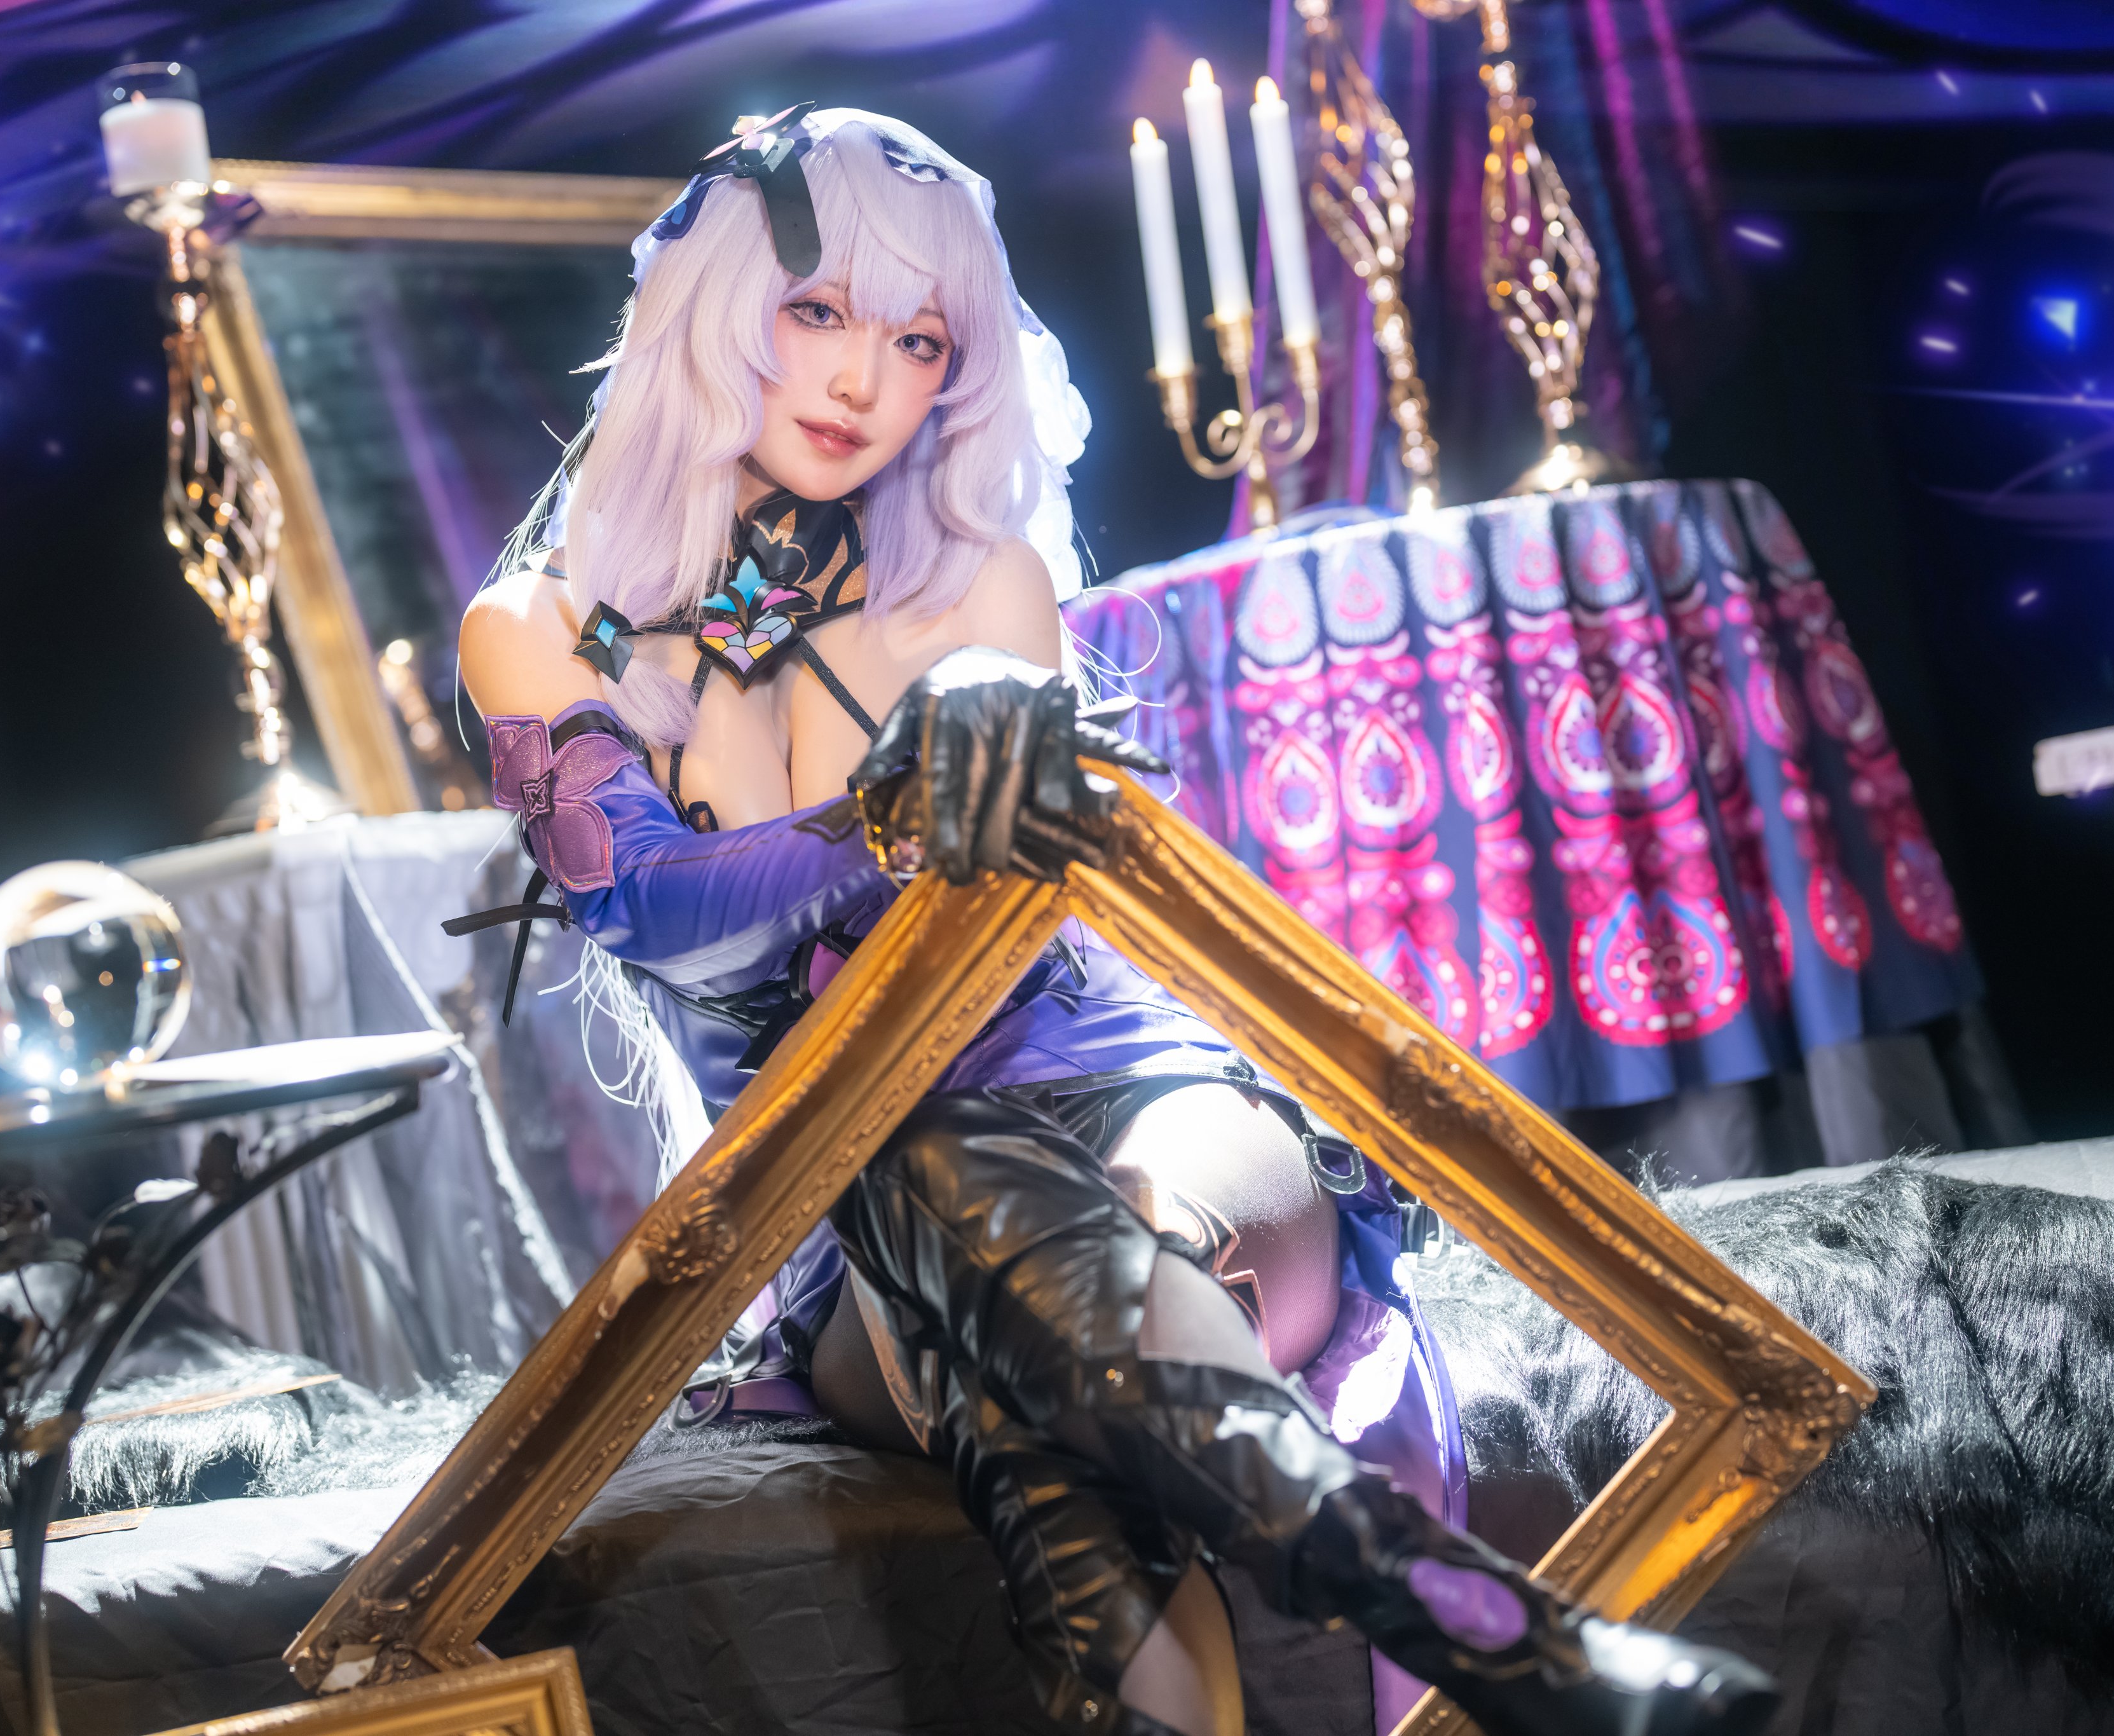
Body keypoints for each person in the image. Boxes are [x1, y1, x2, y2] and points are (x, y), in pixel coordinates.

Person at [456, 105, 1771, 1736]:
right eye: (818, 310)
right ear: (715, 307)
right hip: (844, 1216)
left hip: (1138, 1103)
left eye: (919, 339)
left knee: (1026, 1369)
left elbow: (1003, 865)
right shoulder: (542, 626)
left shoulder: (977, 582)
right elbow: (659, 911)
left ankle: (1470, 1626)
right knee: (922, 1176)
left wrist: (988, 716)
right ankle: (1480, 1625)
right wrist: (900, 814)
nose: (862, 379)